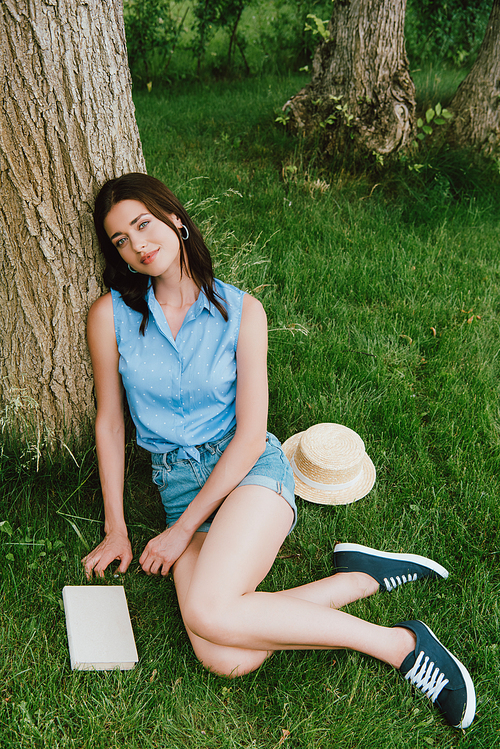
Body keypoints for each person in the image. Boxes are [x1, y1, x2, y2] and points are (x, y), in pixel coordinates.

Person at [82, 173, 475, 730]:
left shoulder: (244, 313)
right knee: (226, 655)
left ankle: (399, 645)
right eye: (120, 239)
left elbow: (248, 435)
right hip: (176, 482)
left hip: (248, 474)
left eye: (142, 224)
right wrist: (117, 528)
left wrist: (180, 531)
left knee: (207, 611)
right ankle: (355, 579)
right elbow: (111, 422)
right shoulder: (110, 317)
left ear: (175, 219)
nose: (137, 244)